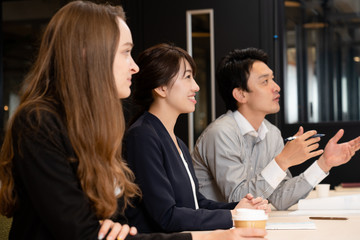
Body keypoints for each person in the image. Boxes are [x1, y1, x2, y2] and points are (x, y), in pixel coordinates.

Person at [0, 2, 267, 240]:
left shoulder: (96, 127)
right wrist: (214, 236)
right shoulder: (38, 123)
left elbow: (115, 223)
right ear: (88, 53)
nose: (134, 66)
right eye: (125, 52)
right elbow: (84, 233)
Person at [123, 43, 270, 234]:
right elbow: (167, 217)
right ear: (161, 87)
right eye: (187, 77)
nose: (196, 86)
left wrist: (237, 209)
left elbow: (195, 203)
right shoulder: (142, 136)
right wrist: (233, 217)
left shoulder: (176, 141)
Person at [191, 47, 360, 210]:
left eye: (272, 79)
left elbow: (280, 199)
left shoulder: (271, 133)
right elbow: (238, 201)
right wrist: (283, 160)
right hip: (214, 230)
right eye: (265, 81)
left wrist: (324, 163)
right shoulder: (221, 133)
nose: (276, 87)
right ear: (241, 94)